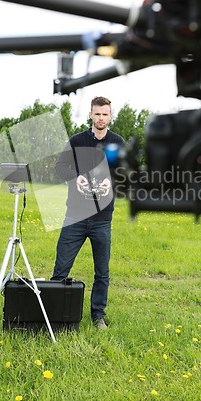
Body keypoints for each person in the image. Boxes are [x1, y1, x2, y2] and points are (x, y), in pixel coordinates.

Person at [51, 96, 124, 329]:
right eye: (97, 113)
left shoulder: (117, 143)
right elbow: (60, 167)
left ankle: (98, 315)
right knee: (61, 269)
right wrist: (77, 177)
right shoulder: (77, 141)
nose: (101, 118)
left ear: (110, 116)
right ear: (90, 115)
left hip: (102, 220)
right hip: (75, 216)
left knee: (102, 272)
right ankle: (53, 313)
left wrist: (111, 184)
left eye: (105, 114)